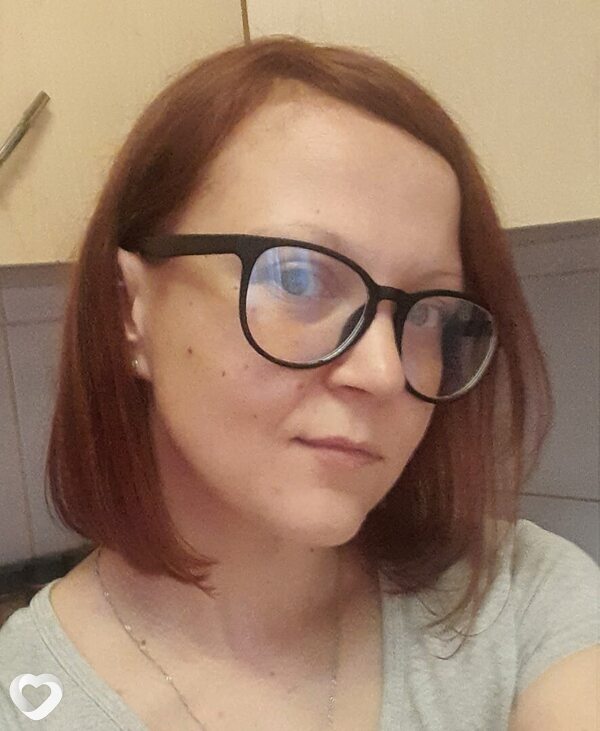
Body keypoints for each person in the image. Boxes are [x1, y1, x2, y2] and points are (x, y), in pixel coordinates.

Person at [0, 35, 597, 731]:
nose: (384, 372)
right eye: (297, 277)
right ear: (128, 311)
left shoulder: (519, 600)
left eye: (428, 311)